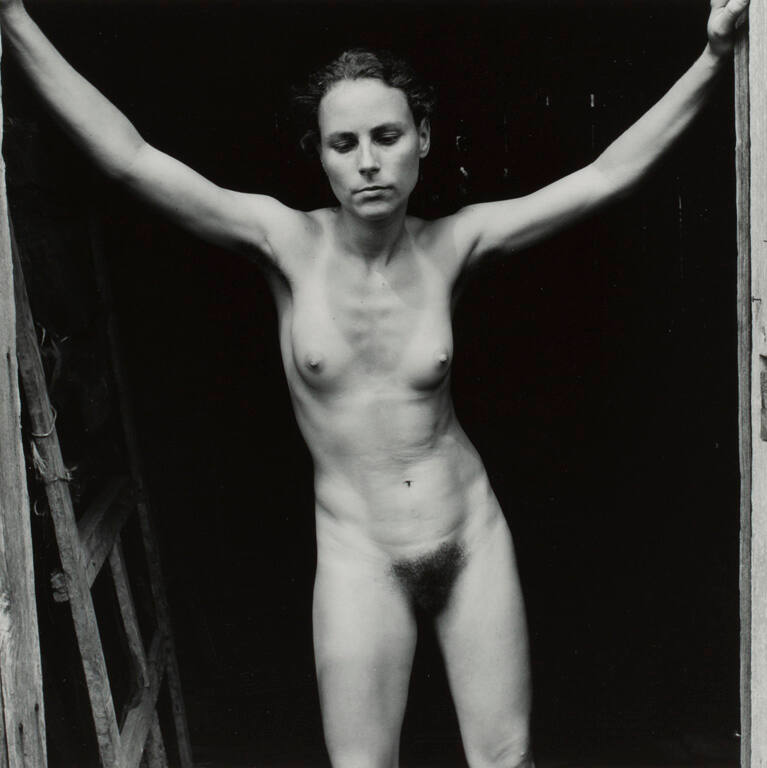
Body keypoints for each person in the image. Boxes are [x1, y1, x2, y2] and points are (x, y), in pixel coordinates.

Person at [0, 1, 748, 766]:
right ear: (320, 156)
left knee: (505, 759)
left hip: (469, 536)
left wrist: (713, 59)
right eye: (344, 143)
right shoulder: (284, 241)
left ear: (421, 138)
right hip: (358, 552)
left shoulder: (454, 244)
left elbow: (604, 177)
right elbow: (128, 157)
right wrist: (14, 18)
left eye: (386, 137)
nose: (367, 162)